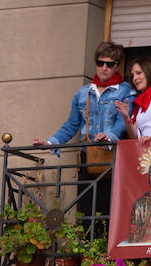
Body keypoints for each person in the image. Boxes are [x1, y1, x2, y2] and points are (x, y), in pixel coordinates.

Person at [33, 41, 135, 220]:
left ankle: (104, 247)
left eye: (109, 64)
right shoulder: (82, 93)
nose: (104, 68)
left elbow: (124, 123)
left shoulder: (126, 91)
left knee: (109, 211)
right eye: (100, 63)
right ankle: (87, 245)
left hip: (113, 158)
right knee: (86, 209)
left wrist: (109, 136)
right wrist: (50, 142)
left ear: (117, 66)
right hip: (87, 157)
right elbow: (71, 125)